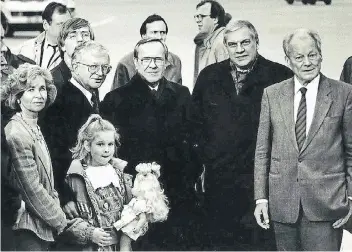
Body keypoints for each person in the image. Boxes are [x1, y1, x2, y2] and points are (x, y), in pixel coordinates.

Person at [190, 19, 293, 250]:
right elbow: (194, 124)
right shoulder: (209, 77)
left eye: (245, 42)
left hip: (263, 184)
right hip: (220, 181)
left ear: (257, 42)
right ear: (225, 46)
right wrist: (207, 156)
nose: (240, 49)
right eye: (233, 44)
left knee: (261, 243)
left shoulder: (280, 75)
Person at [254, 28, 352, 251]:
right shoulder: (272, 94)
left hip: (327, 206)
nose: (307, 62)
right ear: (288, 61)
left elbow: (351, 152)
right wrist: (261, 199)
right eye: (299, 57)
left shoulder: (344, 93)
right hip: (282, 207)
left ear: (320, 55)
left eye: (312, 55)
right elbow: (262, 152)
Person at [101, 38, 194, 250]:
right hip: (135, 197)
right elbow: (111, 152)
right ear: (136, 61)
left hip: (177, 193)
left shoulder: (181, 95)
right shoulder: (116, 99)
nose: (152, 65)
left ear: (166, 62)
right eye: (146, 59)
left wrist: (188, 177)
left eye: (158, 59)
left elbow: (193, 142)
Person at [1, 63, 67, 251]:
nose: (39, 95)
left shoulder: (33, 126)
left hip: (43, 222)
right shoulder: (16, 133)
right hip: (28, 228)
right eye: (31, 90)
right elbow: (31, 189)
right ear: (18, 97)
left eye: (42, 89)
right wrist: (62, 221)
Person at [41, 41, 112, 216]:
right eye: (93, 67)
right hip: (73, 195)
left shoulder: (90, 95)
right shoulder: (60, 102)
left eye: (105, 68)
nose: (100, 73)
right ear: (74, 66)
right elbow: (52, 154)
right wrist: (64, 196)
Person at [58, 114, 133, 251]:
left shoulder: (121, 174)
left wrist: (126, 242)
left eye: (110, 144)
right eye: (100, 144)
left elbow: (133, 210)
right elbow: (65, 219)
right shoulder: (75, 177)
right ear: (87, 145)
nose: (106, 149)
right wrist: (90, 233)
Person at [111, 14, 182, 90]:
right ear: (143, 36)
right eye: (154, 32)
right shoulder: (125, 63)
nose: (159, 37)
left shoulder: (175, 61)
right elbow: (116, 98)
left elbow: (179, 96)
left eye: (163, 32)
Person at [18, 2, 71, 70]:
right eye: (60, 24)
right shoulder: (28, 48)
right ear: (45, 25)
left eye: (69, 24)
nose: (67, 28)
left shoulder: (76, 49)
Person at [51, 17, 94, 95]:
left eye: (85, 35)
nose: (80, 39)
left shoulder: (92, 75)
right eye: (73, 36)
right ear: (62, 45)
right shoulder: (53, 81)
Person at [193, 0, 229, 84]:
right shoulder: (203, 42)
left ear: (215, 19)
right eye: (196, 16)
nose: (197, 20)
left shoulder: (222, 42)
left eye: (201, 16)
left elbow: (227, 82)